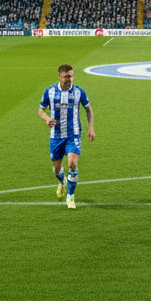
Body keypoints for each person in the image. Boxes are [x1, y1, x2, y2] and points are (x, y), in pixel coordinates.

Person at [38, 64, 94, 210]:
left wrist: (90, 128)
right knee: (57, 169)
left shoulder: (79, 92)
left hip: (73, 134)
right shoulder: (49, 92)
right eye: (66, 76)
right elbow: (41, 110)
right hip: (56, 135)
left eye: (71, 75)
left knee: (72, 165)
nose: (69, 79)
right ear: (60, 76)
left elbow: (88, 109)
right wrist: (47, 119)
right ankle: (62, 181)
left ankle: (70, 197)